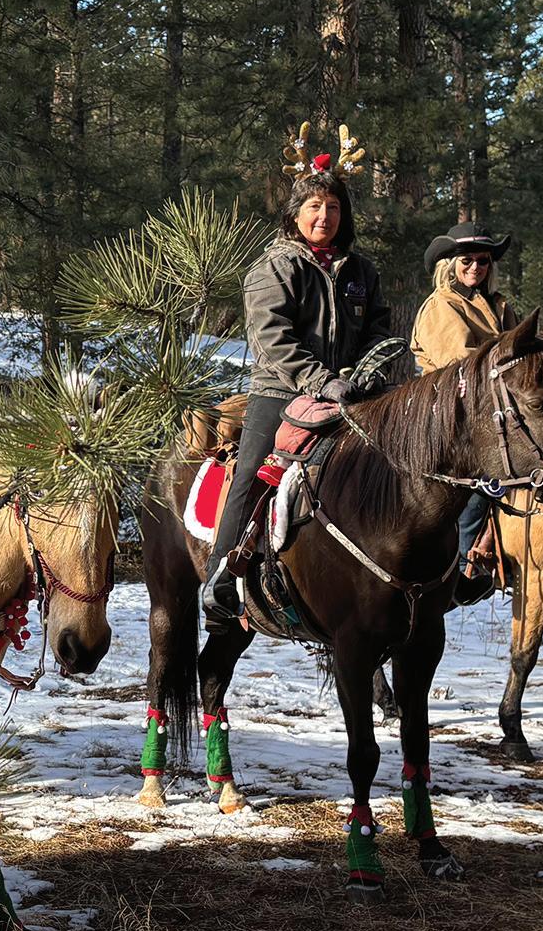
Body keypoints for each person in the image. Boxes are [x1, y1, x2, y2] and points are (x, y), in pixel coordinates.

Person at [202, 138, 396, 627]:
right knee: (251, 475)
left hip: (351, 393)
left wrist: (368, 369)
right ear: (295, 214)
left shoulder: (361, 270)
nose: (324, 216)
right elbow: (272, 339)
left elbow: (378, 327)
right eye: (314, 207)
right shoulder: (274, 267)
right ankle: (220, 577)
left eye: (333, 207)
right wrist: (320, 380)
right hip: (281, 391)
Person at [411, 221, 517, 602]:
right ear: (450, 264)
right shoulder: (442, 306)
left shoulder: (500, 305)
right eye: (467, 260)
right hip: (452, 411)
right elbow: (463, 365)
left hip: (497, 407)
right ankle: (461, 569)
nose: (476, 267)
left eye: (483, 260)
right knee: (477, 482)